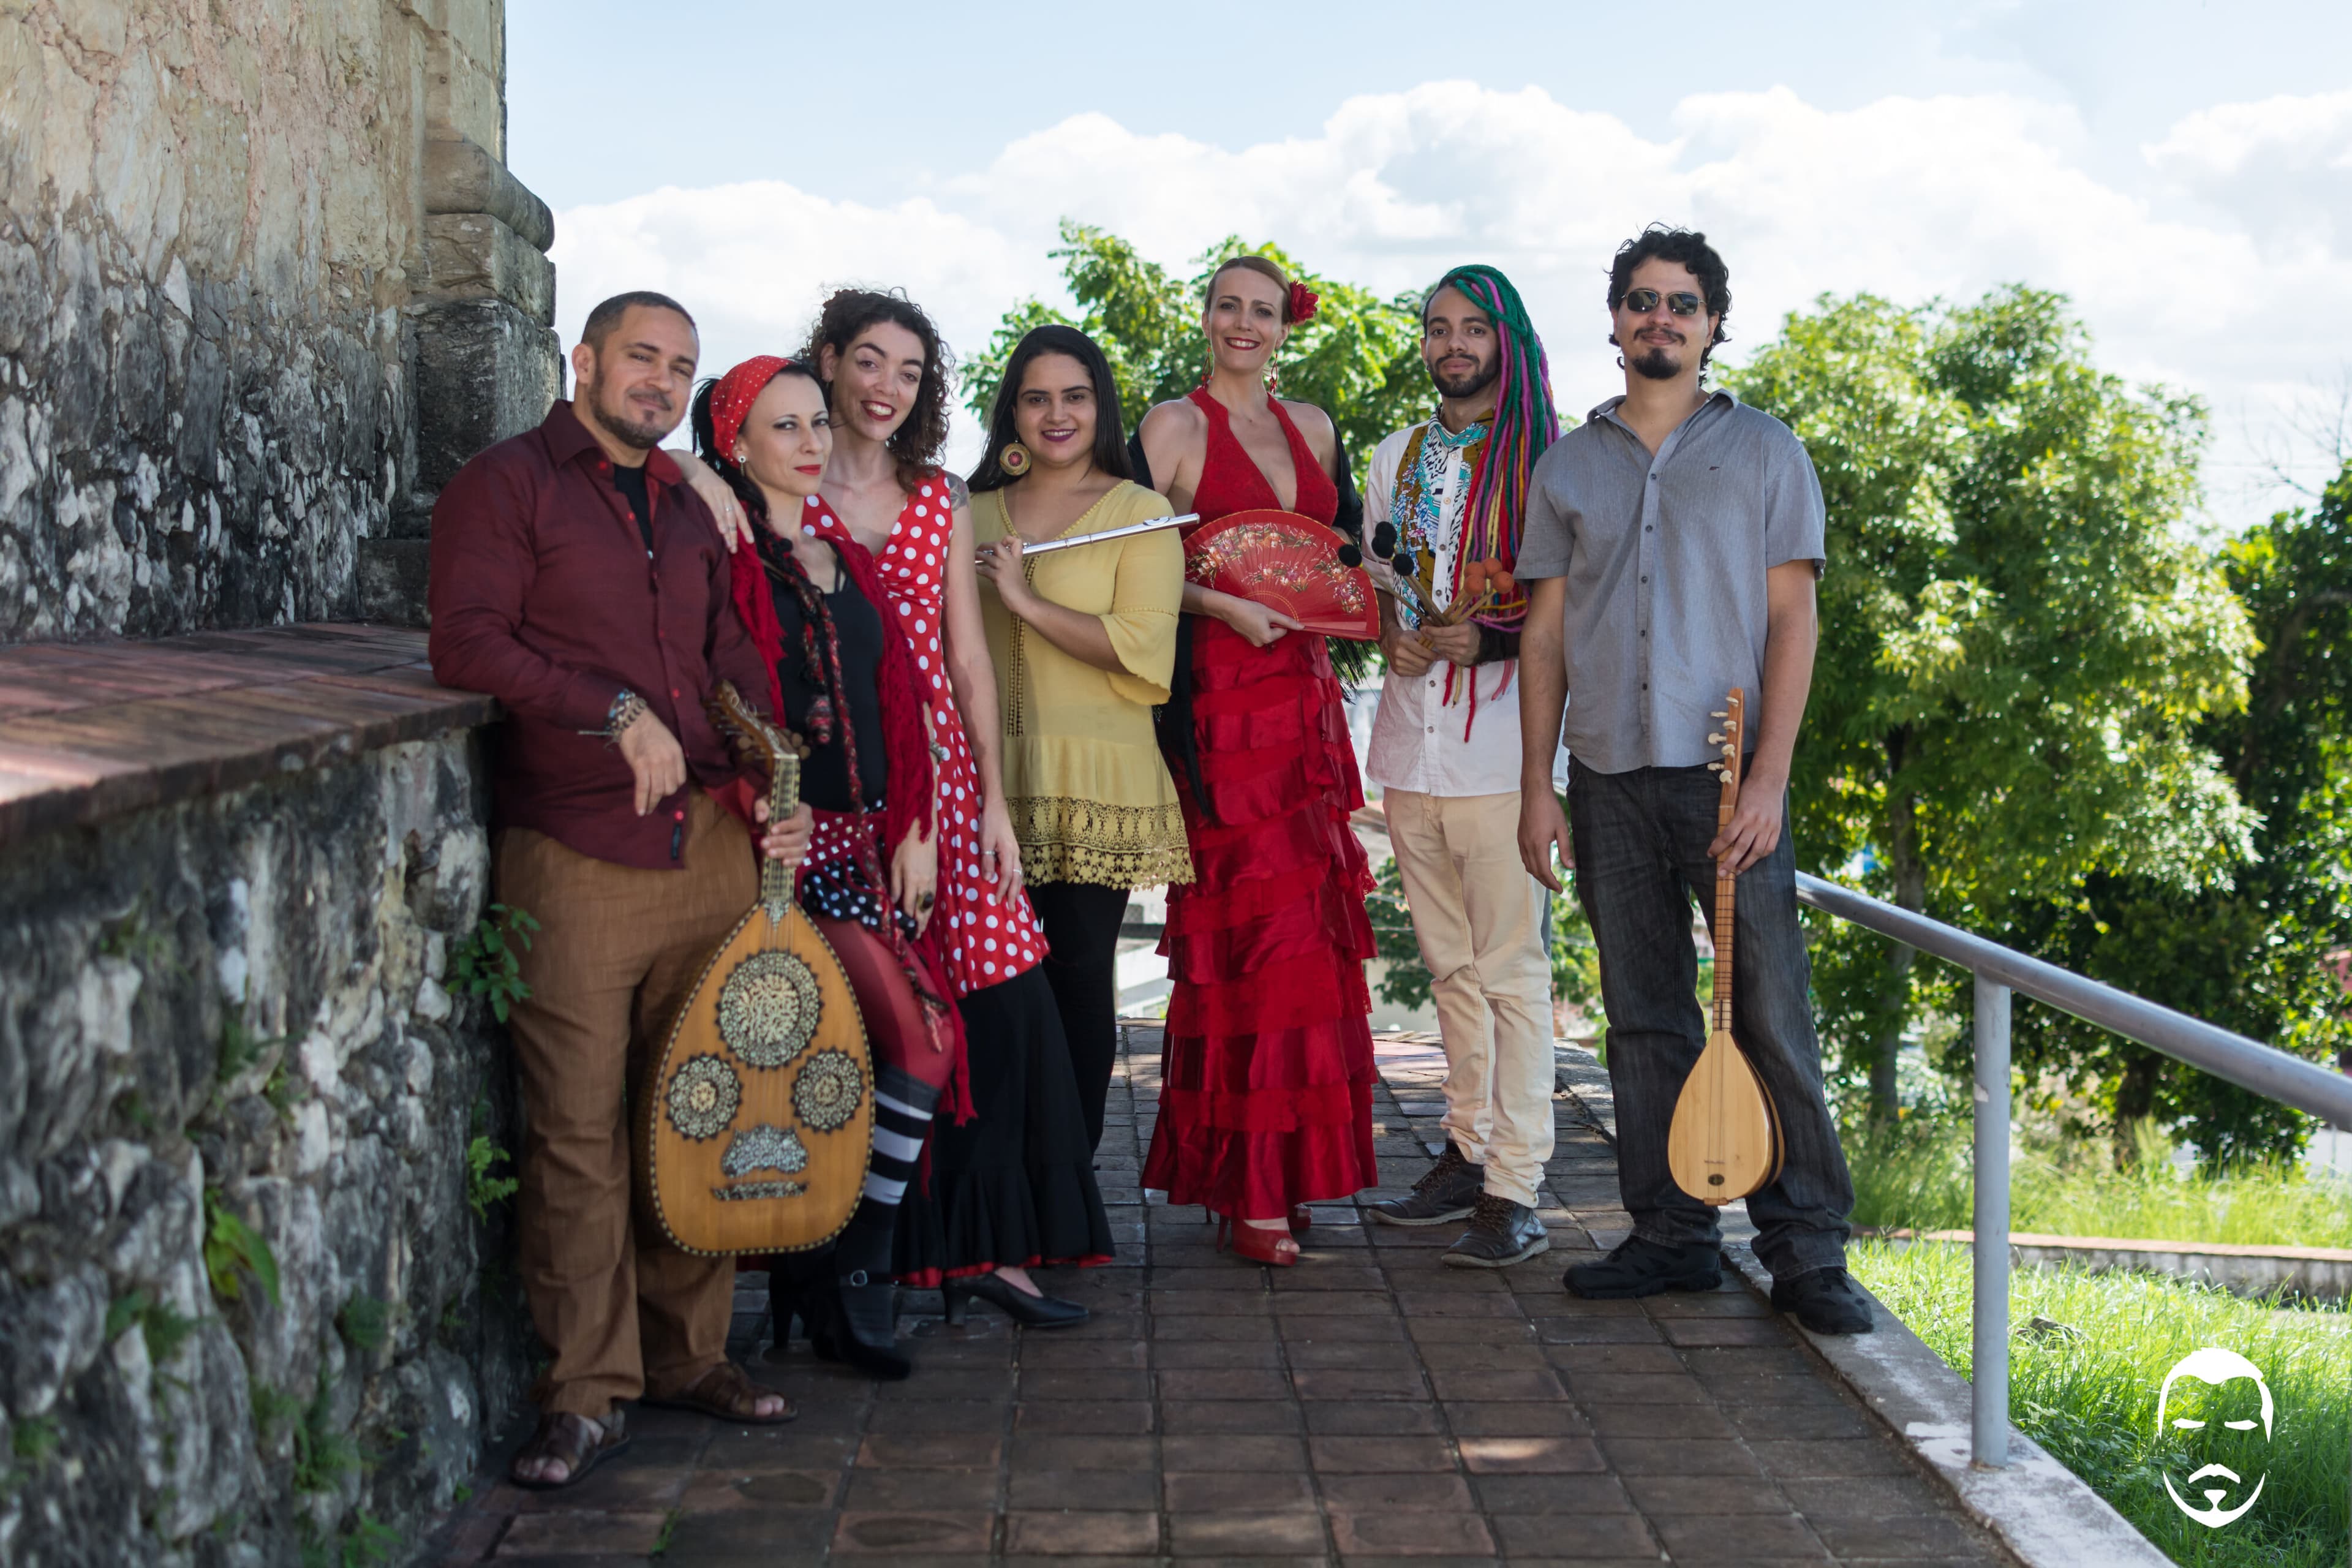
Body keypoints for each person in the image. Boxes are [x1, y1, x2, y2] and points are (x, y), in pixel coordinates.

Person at [428, 292, 803, 1490]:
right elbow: (467, 643)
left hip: (707, 846)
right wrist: (613, 708)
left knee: (701, 1105)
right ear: (581, 360)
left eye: (680, 366)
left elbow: (726, 660)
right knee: (580, 1134)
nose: (659, 379)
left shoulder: (687, 506)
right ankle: (586, 1393)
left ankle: (692, 1354)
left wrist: (774, 771)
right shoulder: (506, 484)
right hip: (578, 848)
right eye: (640, 356)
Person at [677, 290, 1108, 1328]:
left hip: (943, 785)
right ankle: (858, 1259)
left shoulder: (939, 499)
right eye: (868, 363)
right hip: (832, 783)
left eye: (909, 373)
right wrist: (693, 464)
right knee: (863, 1017)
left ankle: (991, 1251)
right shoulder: (780, 482)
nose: (885, 389)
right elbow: (696, 462)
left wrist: (994, 804)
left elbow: (967, 657)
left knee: (1001, 1005)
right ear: (826, 364)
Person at [1513, 227, 1870, 1335]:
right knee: (1645, 1017)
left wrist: (1772, 777)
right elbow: (1545, 637)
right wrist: (1538, 784)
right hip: (1610, 773)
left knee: (1767, 1009)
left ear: (1714, 323)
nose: (1659, 317)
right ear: (1615, 320)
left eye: (1682, 302)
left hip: (1728, 782)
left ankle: (1807, 1251)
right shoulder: (1568, 465)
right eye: (1641, 300)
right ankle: (1671, 1237)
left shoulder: (1768, 452)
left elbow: (1793, 619)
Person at [693, 351, 970, 1378]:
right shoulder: (720, 553)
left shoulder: (840, 553)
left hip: (867, 845)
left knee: (888, 1053)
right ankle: (851, 1271)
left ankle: (844, 1266)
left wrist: (915, 824)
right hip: (771, 855)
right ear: (736, 444)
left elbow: (889, 698)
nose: (812, 444)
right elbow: (703, 698)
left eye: (818, 424)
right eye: (786, 428)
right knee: (902, 1045)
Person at [1134, 255, 1379, 1267]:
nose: (1245, 323)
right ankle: (1250, 1190)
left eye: (1264, 312)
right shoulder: (1172, 427)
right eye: (1229, 306)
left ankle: (1292, 1172)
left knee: (1312, 947)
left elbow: (1337, 556)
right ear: (1205, 318)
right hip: (1226, 705)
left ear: (1287, 327)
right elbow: (1132, 560)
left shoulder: (1315, 425)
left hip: (1307, 703)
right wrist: (1223, 601)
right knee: (1254, 945)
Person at [1360, 266, 1562, 1268]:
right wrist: (1391, 637)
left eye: (1472, 329)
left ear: (1507, 340)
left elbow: (1569, 617)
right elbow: (1381, 581)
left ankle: (1516, 1188)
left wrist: (1486, 645)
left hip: (1500, 755)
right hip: (1408, 748)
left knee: (1514, 975)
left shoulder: (1547, 464)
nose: (1452, 346)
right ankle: (1465, 1150)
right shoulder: (1392, 456)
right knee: (1448, 970)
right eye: (1437, 328)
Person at [970, 325, 1194, 1155]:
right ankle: (1000, 1190)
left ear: (1100, 406)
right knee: (994, 989)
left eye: (1074, 396)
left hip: (1092, 777)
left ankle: (1065, 1187)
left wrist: (1024, 599)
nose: (1055, 414)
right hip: (987, 778)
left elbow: (1144, 649)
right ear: (1013, 411)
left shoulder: (1138, 512)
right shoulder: (969, 509)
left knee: (1073, 979)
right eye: (1036, 397)